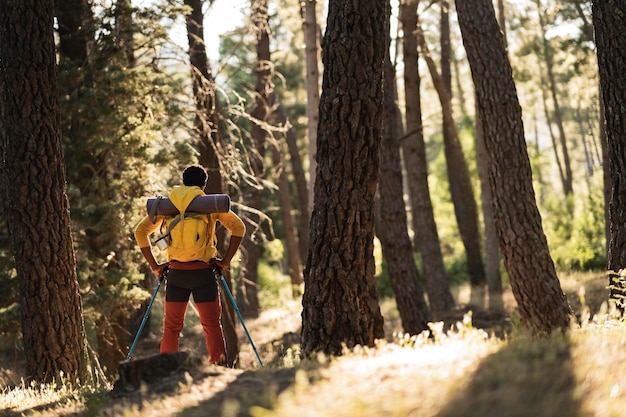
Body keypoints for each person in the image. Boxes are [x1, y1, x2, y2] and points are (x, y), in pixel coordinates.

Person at [134, 164, 245, 364]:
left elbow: (140, 232)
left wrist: (155, 266)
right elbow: (239, 227)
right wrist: (225, 261)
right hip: (203, 274)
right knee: (211, 325)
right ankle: (218, 367)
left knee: (172, 328)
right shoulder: (209, 205)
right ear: (203, 184)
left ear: (183, 182)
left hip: (176, 274)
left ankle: (166, 369)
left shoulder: (167, 206)